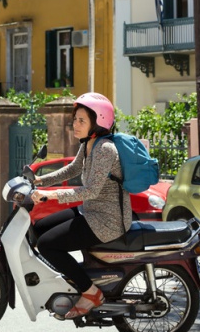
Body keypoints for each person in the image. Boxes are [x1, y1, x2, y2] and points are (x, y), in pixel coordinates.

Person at [30, 92, 131, 319]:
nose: (75, 124)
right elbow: (73, 169)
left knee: (47, 245)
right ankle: (68, 276)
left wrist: (49, 196)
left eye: (81, 120)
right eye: (75, 119)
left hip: (107, 220)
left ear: (98, 121)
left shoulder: (105, 149)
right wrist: (39, 180)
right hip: (91, 210)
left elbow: (91, 190)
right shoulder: (89, 143)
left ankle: (90, 292)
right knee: (38, 229)